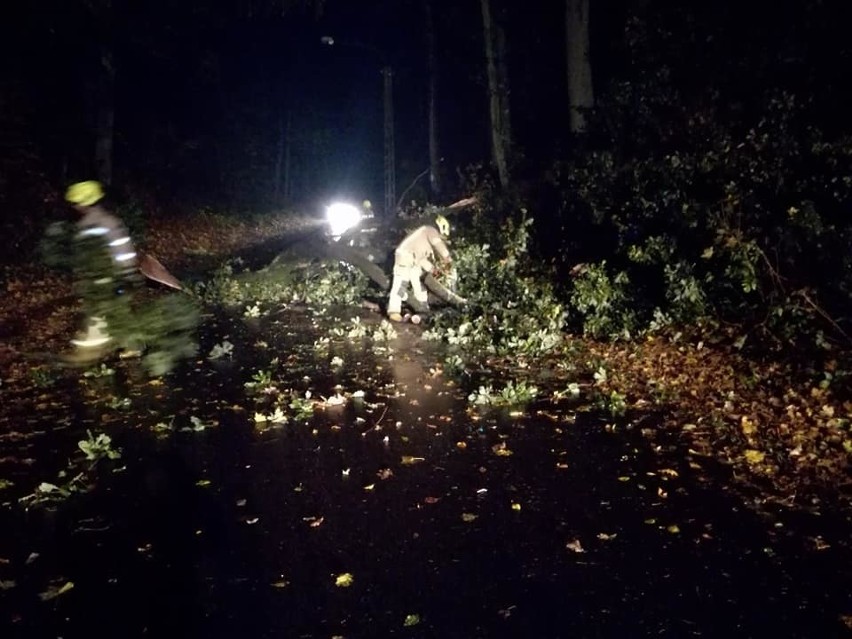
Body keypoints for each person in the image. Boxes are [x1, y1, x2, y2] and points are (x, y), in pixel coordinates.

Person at [62, 180, 139, 363]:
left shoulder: (98, 224)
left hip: (109, 279)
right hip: (103, 280)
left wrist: (125, 276)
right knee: (116, 314)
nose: (75, 207)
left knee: (107, 314)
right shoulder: (102, 222)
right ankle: (130, 347)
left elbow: (121, 250)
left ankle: (91, 354)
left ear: (84, 203)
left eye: (77, 203)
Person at [387, 214, 451, 322]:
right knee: (401, 283)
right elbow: (439, 245)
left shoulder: (423, 239)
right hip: (405, 257)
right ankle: (394, 311)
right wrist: (447, 259)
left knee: (418, 282)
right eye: (442, 237)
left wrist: (433, 270)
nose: (441, 239)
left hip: (413, 260)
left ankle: (423, 306)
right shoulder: (430, 230)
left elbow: (422, 259)